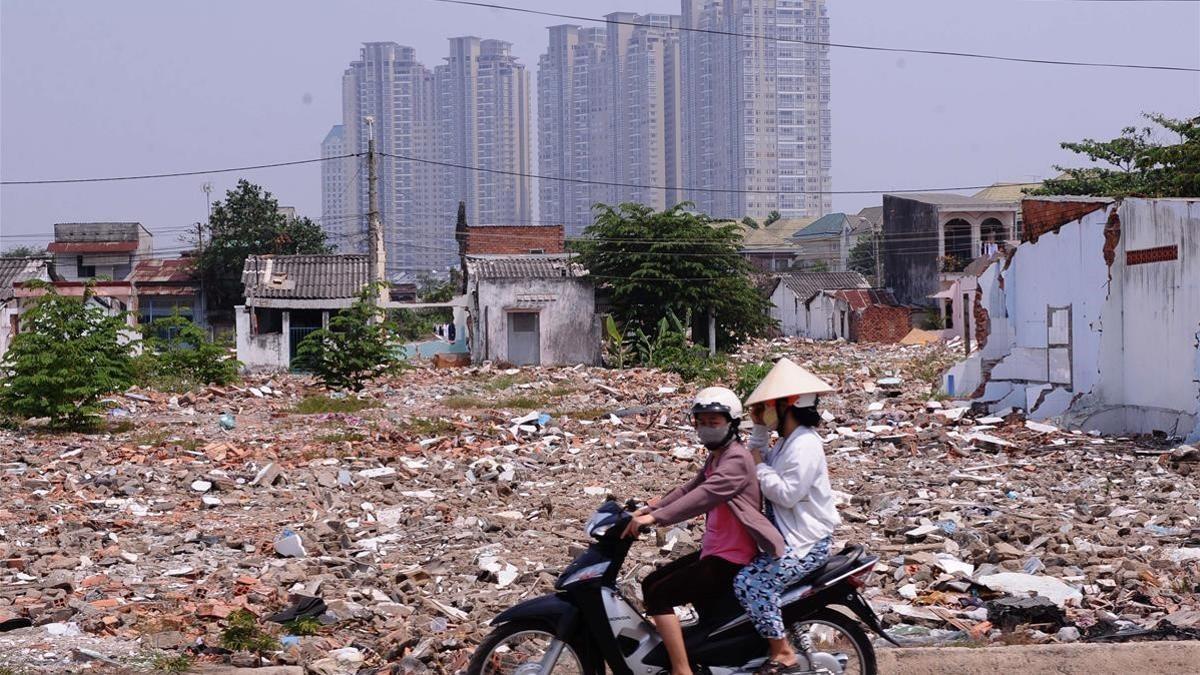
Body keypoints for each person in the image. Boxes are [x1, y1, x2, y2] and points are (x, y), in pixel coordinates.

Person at [622, 387, 785, 675]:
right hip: (715, 551)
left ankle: (682, 670)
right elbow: (690, 488)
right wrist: (648, 508)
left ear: (732, 424)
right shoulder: (718, 456)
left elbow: (704, 496)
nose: (706, 429)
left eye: (715, 423)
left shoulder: (736, 460)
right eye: (702, 422)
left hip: (732, 558)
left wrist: (657, 519)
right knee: (650, 584)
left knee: (660, 594)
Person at [733, 358, 842, 675]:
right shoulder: (786, 442)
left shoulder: (806, 444)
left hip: (806, 543)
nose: (766, 409)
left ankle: (783, 653)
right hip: (788, 538)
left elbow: (785, 493)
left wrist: (758, 465)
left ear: (788, 404)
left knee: (750, 584)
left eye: (769, 405)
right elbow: (761, 458)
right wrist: (758, 428)